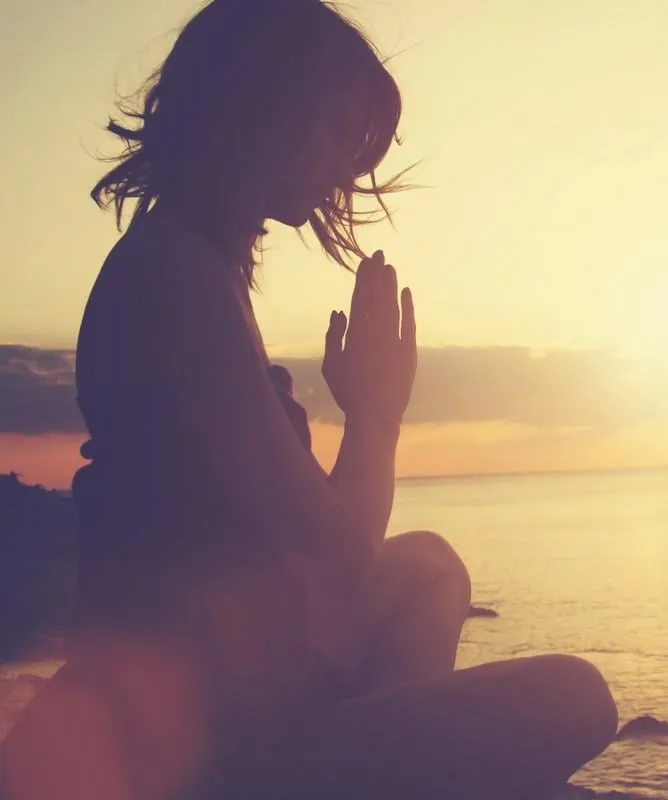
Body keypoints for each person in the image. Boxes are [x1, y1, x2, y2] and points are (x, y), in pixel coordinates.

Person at [0, 2, 617, 798]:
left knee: (430, 567)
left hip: (239, 679)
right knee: (578, 696)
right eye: (334, 127)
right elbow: (336, 552)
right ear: (259, 104)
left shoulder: (194, 263)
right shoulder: (175, 280)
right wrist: (374, 415)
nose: (347, 166)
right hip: (204, 742)